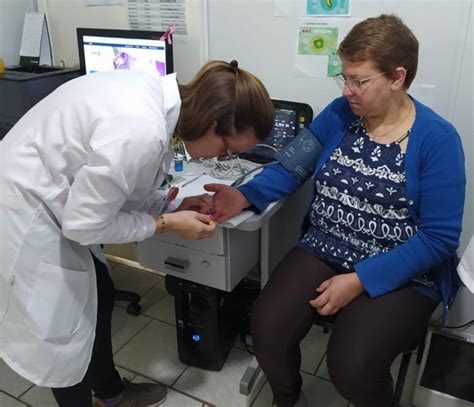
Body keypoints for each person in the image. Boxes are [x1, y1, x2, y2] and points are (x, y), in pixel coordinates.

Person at [205, 15, 466, 407]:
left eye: (359, 80)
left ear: (397, 77)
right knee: (267, 327)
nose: (348, 91)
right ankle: (287, 398)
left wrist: (360, 280)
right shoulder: (341, 115)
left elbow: (439, 239)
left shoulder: (437, 139)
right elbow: (293, 164)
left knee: (352, 367)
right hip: (326, 245)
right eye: (344, 78)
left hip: (404, 269)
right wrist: (246, 196)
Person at [0, 60, 273, 407]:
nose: (222, 158)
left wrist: (172, 204)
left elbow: (121, 186)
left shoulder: (151, 97)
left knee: (99, 289)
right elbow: (85, 226)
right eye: (227, 150)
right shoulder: (142, 128)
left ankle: (112, 394)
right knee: (64, 335)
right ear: (214, 122)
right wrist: (164, 223)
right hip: (24, 213)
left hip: (47, 197)